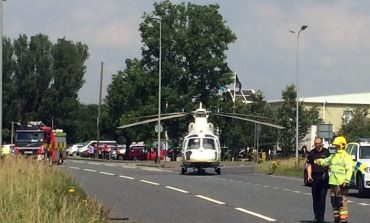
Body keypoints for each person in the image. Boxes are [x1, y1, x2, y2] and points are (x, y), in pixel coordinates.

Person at [315, 136, 353, 223]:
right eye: (335, 146)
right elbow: (326, 161)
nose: (335, 147)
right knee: (334, 201)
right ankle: (336, 219)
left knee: (341, 202)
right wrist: (318, 161)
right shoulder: (334, 156)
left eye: (337, 146)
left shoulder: (346, 156)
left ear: (341, 145)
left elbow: (349, 169)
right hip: (333, 182)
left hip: (341, 183)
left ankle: (343, 220)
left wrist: (346, 181)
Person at [307, 137, 330, 223]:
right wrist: (309, 175)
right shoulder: (312, 153)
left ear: (321, 143)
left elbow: (329, 164)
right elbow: (309, 165)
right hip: (314, 177)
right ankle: (316, 216)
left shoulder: (326, 152)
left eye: (318, 143)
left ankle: (321, 218)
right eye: (315, 144)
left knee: (322, 197)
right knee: (315, 198)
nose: (317, 145)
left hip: (323, 177)